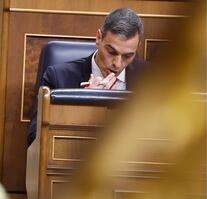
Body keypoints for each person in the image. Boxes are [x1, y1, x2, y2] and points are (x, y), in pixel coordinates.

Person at [27, 8, 146, 145]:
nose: (117, 64)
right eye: (111, 52)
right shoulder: (58, 77)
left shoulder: (154, 78)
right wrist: (85, 105)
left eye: (127, 56)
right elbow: (34, 138)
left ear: (137, 47)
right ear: (98, 38)